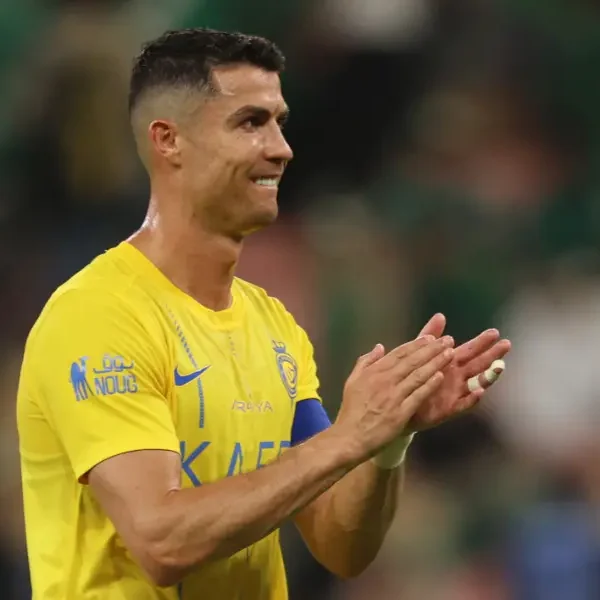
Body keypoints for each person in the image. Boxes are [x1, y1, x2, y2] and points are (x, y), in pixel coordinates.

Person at [17, 28, 511, 600]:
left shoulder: (274, 327)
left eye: (279, 122)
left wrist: (385, 442)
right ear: (169, 141)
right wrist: (349, 435)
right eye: (250, 123)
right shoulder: (99, 315)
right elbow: (162, 542)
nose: (281, 148)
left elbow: (340, 545)